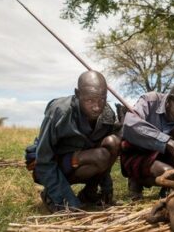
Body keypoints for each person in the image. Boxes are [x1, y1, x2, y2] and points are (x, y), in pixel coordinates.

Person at [32, 70, 121, 212]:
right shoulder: (59, 111)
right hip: (56, 166)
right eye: (90, 100)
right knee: (97, 156)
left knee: (113, 143)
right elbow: (43, 160)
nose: (97, 106)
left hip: (84, 165)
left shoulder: (107, 114)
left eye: (102, 99)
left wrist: (106, 189)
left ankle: (89, 193)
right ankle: (52, 194)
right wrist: (66, 201)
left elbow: (108, 159)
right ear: (78, 94)